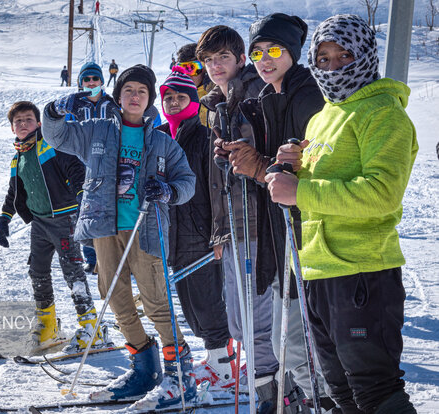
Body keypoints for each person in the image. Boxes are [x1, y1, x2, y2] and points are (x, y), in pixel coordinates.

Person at [266, 14, 418, 414]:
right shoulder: (323, 116)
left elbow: (381, 193)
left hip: (361, 270)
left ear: (365, 56)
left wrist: (301, 190)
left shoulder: (384, 114)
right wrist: (296, 165)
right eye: (324, 57)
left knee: (375, 392)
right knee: (341, 394)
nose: (333, 67)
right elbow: (324, 180)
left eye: (344, 56)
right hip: (318, 270)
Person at [42, 64, 197, 410]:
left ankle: (181, 375)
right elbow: (56, 136)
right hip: (104, 227)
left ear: (149, 98)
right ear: (119, 96)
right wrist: (54, 110)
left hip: (146, 229)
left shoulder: (161, 141)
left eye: (142, 91)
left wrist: (169, 190)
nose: (135, 96)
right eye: (129, 90)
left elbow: (187, 182)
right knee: (116, 300)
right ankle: (144, 369)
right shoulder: (96, 131)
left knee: (157, 302)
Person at [219, 13, 335, 412]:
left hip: (310, 239)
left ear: (293, 52)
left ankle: (324, 404)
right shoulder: (271, 95)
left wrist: (258, 165)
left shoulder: (308, 97)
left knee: (302, 346)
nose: (264, 60)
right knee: (287, 342)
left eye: (274, 50)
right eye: (257, 53)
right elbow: (277, 170)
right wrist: (246, 158)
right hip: (280, 236)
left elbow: (310, 172)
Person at [196, 25, 280, 411]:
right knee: (238, 320)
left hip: (258, 222)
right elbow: (217, 179)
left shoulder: (256, 96)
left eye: (223, 58)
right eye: (209, 60)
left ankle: (273, 393)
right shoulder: (216, 104)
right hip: (232, 225)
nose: (215, 66)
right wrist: (218, 232)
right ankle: (264, 380)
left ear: (241, 59)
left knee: (258, 318)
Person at [0, 101, 105, 353]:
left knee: (73, 272)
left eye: (28, 119)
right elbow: (14, 193)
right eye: (18, 121)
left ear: (39, 123)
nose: (23, 124)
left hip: (64, 218)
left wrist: (81, 195)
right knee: (38, 270)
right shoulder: (18, 158)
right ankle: (47, 325)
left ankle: (92, 327)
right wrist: (4, 219)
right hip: (40, 223)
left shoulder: (51, 145)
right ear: (12, 128)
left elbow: (75, 169)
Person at [157, 68, 238, 391]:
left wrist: (220, 233)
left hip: (200, 233)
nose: (174, 102)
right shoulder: (161, 135)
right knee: (190, 307)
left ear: (193, 101)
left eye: (181, 97)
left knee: (207, 305)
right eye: (168, 98)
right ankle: (215, 363)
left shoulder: (205, 137)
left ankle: (225, 370)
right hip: (171, 236)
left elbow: (218, 188)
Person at [68, 62, 119, 274]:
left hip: (109, 165)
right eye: (86, 80)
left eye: (95, 79)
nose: (91, 83)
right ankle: (91, 257)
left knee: (111, 209)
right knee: (86, 210)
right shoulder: (74, 106)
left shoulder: (112, 104)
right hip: (83, 166)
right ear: (81, 83)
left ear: (101, 81)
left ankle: (114, 256)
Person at [176, 43, 214, 127]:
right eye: (182, 69)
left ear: (204, 68)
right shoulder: (176, 96)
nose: (187, 75)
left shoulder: (215, 94)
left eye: (192, 68)